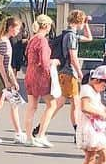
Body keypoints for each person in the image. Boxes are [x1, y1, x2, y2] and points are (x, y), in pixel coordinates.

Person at [39, 9, 92, 143]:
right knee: (75, 102)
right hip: (69, 72)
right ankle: (78, 132)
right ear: (78, 21)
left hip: (64, 71)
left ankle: (40, 127)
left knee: (60, 103)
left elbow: (89, 38)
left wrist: (86, 24)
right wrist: (80, 73)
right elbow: (73, 57)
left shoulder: (68, 34)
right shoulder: (71, 36)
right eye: (82, 21)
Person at [0, 16, 27, 144]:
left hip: (1, 75)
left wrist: (12, 80)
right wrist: (9, 81)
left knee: (2, 104)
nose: (18, 32)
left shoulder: (2, 41)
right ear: (11, 28)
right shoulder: (4, 42)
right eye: (17, 29)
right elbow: (2, 64)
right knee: (13, 103)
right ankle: (18, 133)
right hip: (2, 76)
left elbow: (3, 64)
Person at [22, 15, 55, 148]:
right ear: (46, 26)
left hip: (30, 73)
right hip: (40, 76)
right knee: (51, 104)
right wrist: (54, 63)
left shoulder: (32, 39)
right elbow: (45, 62)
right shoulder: (42, 41)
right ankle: (41, 134)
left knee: (32, 106)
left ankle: (29, 136)